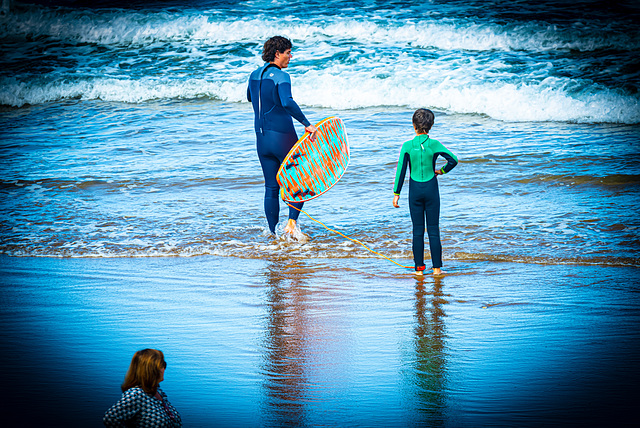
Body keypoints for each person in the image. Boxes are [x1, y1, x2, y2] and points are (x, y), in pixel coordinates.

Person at [247, 35, 317, 238]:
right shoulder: (281, 76)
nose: (291, 56)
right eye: (288, 53)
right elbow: (287, 102)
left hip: (262, 140)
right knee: (301, 183)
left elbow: (251, 97)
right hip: (282, 138)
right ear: (277, 54)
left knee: (271, 186)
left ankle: (272, 234)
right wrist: (306, 124)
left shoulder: (253, 74)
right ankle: (292, 224)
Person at [392, 109, 458, 276]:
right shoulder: (434, 144)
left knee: (417, 230)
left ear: (413, 125)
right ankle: (436, 269)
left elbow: (401, 170)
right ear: (431, 125)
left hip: (414, 191)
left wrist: (396, 193)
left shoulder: (407, 146)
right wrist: (441, 171)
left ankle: (419, 269)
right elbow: (453, 160)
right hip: (431, 189)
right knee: (434, 229)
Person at [103, 349, 182, 427]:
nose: (164, 369)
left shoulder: (158, 392)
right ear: (152, 370)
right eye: (162, 365)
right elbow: (110, 418)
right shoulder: (136, 394)